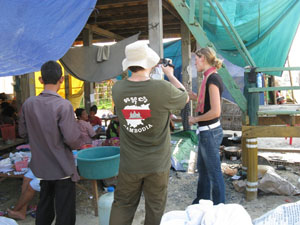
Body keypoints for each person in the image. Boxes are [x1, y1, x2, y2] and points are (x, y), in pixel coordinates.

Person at [109, 41, 189, 225]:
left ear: (129, 64)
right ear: (150, 63)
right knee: (155, 207)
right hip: (157, 163)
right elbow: (184, 97)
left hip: (130, 163)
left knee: (122, 205)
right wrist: (169, 75)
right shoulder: (163, 89)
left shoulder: (117, 89)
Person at [18, 60, 82, 225]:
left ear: (41, 80)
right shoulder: (64, 105)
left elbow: (23, 133)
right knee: (65, 212)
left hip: (42, 168)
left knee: (45, 204)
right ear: (61, 79)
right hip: (62, 168)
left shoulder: (28, 104)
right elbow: (72, 140)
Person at [188, 47, 225, 205]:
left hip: (210, 132)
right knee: (203, 171)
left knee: (214, 173)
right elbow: (208, 102)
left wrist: (195, 119)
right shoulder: (208, 78)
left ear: (203, 58)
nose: (195, 63)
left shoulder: (212, 79)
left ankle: (219, 208)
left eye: (196, 59)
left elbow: (215, 111)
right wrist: (195, 97)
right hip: (206, 132)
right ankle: (201, 202)